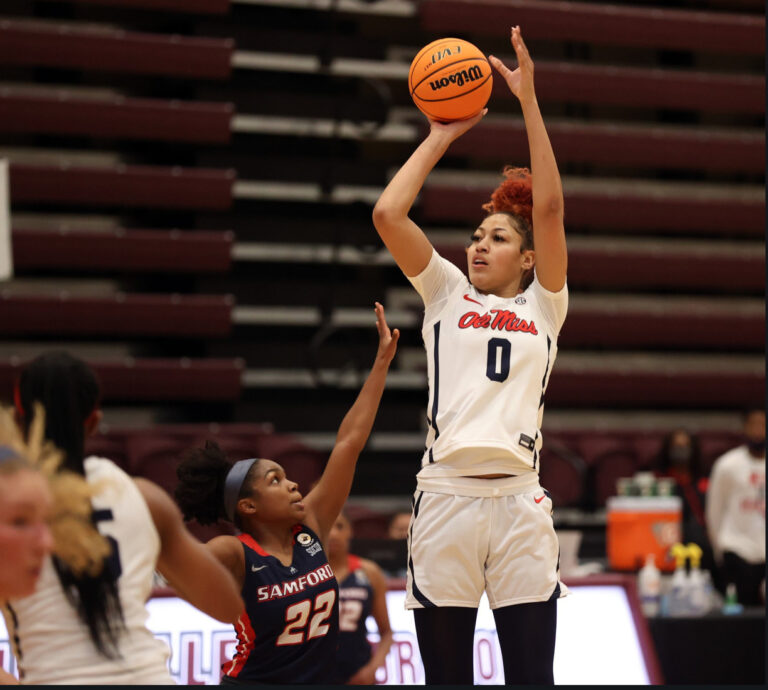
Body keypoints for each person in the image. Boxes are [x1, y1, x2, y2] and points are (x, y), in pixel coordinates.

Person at [372, 26, 568, 684]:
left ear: (529, 257)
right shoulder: (445, 293)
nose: (479, 245)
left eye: (498, 238)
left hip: (519, 503)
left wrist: (528, 100)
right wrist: (440, 135)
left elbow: (550, 206)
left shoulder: (545, 304)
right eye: (477, 235)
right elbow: (388, 215)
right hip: (445, 499)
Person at [174, 303, 398, 684]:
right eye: (275, 480)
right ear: (248, 506)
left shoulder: (311, 527)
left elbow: (348, 443)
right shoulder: (235, 552)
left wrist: (381, 365)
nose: (293, 484)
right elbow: (177, 561)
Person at [3, 352, 244, 685]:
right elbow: (227, 606)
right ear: (93, 422)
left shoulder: (8, 503)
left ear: (18, 421)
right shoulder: (143, 497)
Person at [706, 408, 765, 606]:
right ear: (745, 428)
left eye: (763, 425)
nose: (758, 431)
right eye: (753, 425)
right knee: (742, 613)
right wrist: (719, 550)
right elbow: (714, 511)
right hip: (738, 548)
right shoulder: (727, 465)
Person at [327, 510, 393, 684]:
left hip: (358, 672)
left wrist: (373, 668)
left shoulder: (370, 572)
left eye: (340, 526)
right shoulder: (304, 573)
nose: (333, 534)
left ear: (350, 531)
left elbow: (386, 632)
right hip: (315, 675)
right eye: (328, 526)